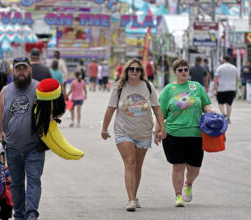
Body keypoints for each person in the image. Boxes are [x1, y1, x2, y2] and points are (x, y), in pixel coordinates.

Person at [101, 58, 165, 211]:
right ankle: (130, 200)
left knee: (137, 166)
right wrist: (104, 129)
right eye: (131, 69)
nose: (135, 71)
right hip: (124, 131)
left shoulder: (148, 87)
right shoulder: (119, 87)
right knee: (130, 162)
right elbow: (110, 109)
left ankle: (134, 196)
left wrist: (162, 128)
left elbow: (156, 108)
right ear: (126, 71)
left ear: (141, 72)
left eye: (138, 69)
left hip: (143, 132)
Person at [0, 57, 44, 220]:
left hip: (35, 146)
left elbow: (55, 112)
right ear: (13, 71)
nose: (21, 72)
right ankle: (20, 215)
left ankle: (32, 214)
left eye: (24, 68)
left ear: (30, 70)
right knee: (16, 184)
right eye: (18, 69)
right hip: (12, 147)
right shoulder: (5, 91)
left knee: (34, 180)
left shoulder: (40, 88)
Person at [156, 58, 214, 207]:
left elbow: (206, 104)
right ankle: (178, 196)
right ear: (175, 72)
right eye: (180, 70)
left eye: (185, 69)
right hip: (173, 134)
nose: (183, 72)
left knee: (195, 168)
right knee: (178, 165)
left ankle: (188, 184)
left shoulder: (197, 87)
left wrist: (211, 111)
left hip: (195, 134)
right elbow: (160, 113)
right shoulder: (168, 90)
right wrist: (158, 130)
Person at [213, 56, 238, 123]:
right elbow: (236, 79)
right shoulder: (234, 68)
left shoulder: (220, 68)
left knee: (220, 103)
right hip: (232, 88)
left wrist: (214, 87)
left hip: (221, 89)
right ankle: (229, 118)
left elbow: (216, 79)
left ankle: (223, 113)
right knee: (229, 104)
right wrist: (236, 88)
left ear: (224, 60)